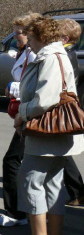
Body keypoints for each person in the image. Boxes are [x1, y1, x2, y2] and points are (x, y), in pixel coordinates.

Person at [14, 16, 84, 235]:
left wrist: (21, 114)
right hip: (58, 132)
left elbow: (45, 99)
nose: (28, 42)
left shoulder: (50, 57)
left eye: (31, 37)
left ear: (41, 37)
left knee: (30, 183)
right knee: (53, 184)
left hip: (46, 132)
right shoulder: (56, 54)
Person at [0, 13, 39, 228]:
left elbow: (35, 84)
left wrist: (11, 88)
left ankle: (16, 213)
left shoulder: (35, 54)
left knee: (12, 161)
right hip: (26, 112)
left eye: (19, 33)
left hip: (32, 114)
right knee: (35, 164)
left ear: (30, 34)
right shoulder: (25, 52)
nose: (15, 36)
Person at [58, 18, 84, 207]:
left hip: (60, 110)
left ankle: (77, 192)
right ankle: (77, 191)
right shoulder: (68, 52)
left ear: (65, 37)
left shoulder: (64, 54)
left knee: (62, 154)